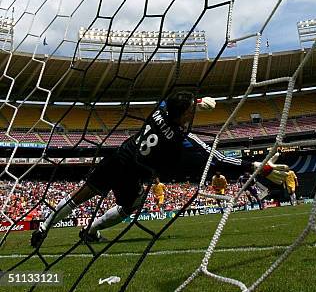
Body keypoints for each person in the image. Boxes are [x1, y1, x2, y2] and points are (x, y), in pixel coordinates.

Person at [31, 91, 289, 248]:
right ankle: (91, 230)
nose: (192, 114)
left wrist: (197, 101)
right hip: (136, 170)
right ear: (184, 115)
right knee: (129, 207)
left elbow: (170, 102)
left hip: (121, 155)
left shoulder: (159, 109)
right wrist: (257, 165)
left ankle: (46, 225)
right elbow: (217, 158)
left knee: (83, 194)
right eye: (190, 111)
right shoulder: (180, 137)